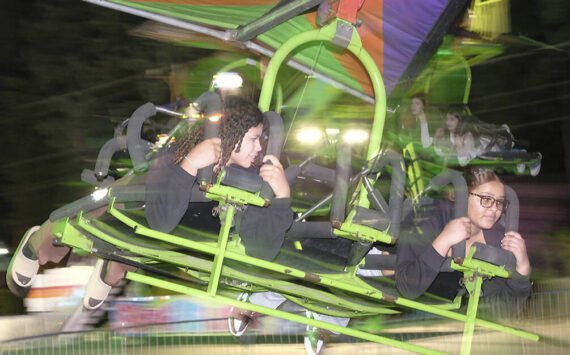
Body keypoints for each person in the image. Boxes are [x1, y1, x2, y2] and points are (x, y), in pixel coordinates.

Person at [395, 167, 531, 302]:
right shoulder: (430, 218)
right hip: (383, 282)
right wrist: (443, 241)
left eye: (500, 202)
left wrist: (523, 267)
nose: (495, 209)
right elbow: (407, 287)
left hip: (443, 308)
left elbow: (504, 310)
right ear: (462, 195)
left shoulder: (498, 240)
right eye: (486, 199)